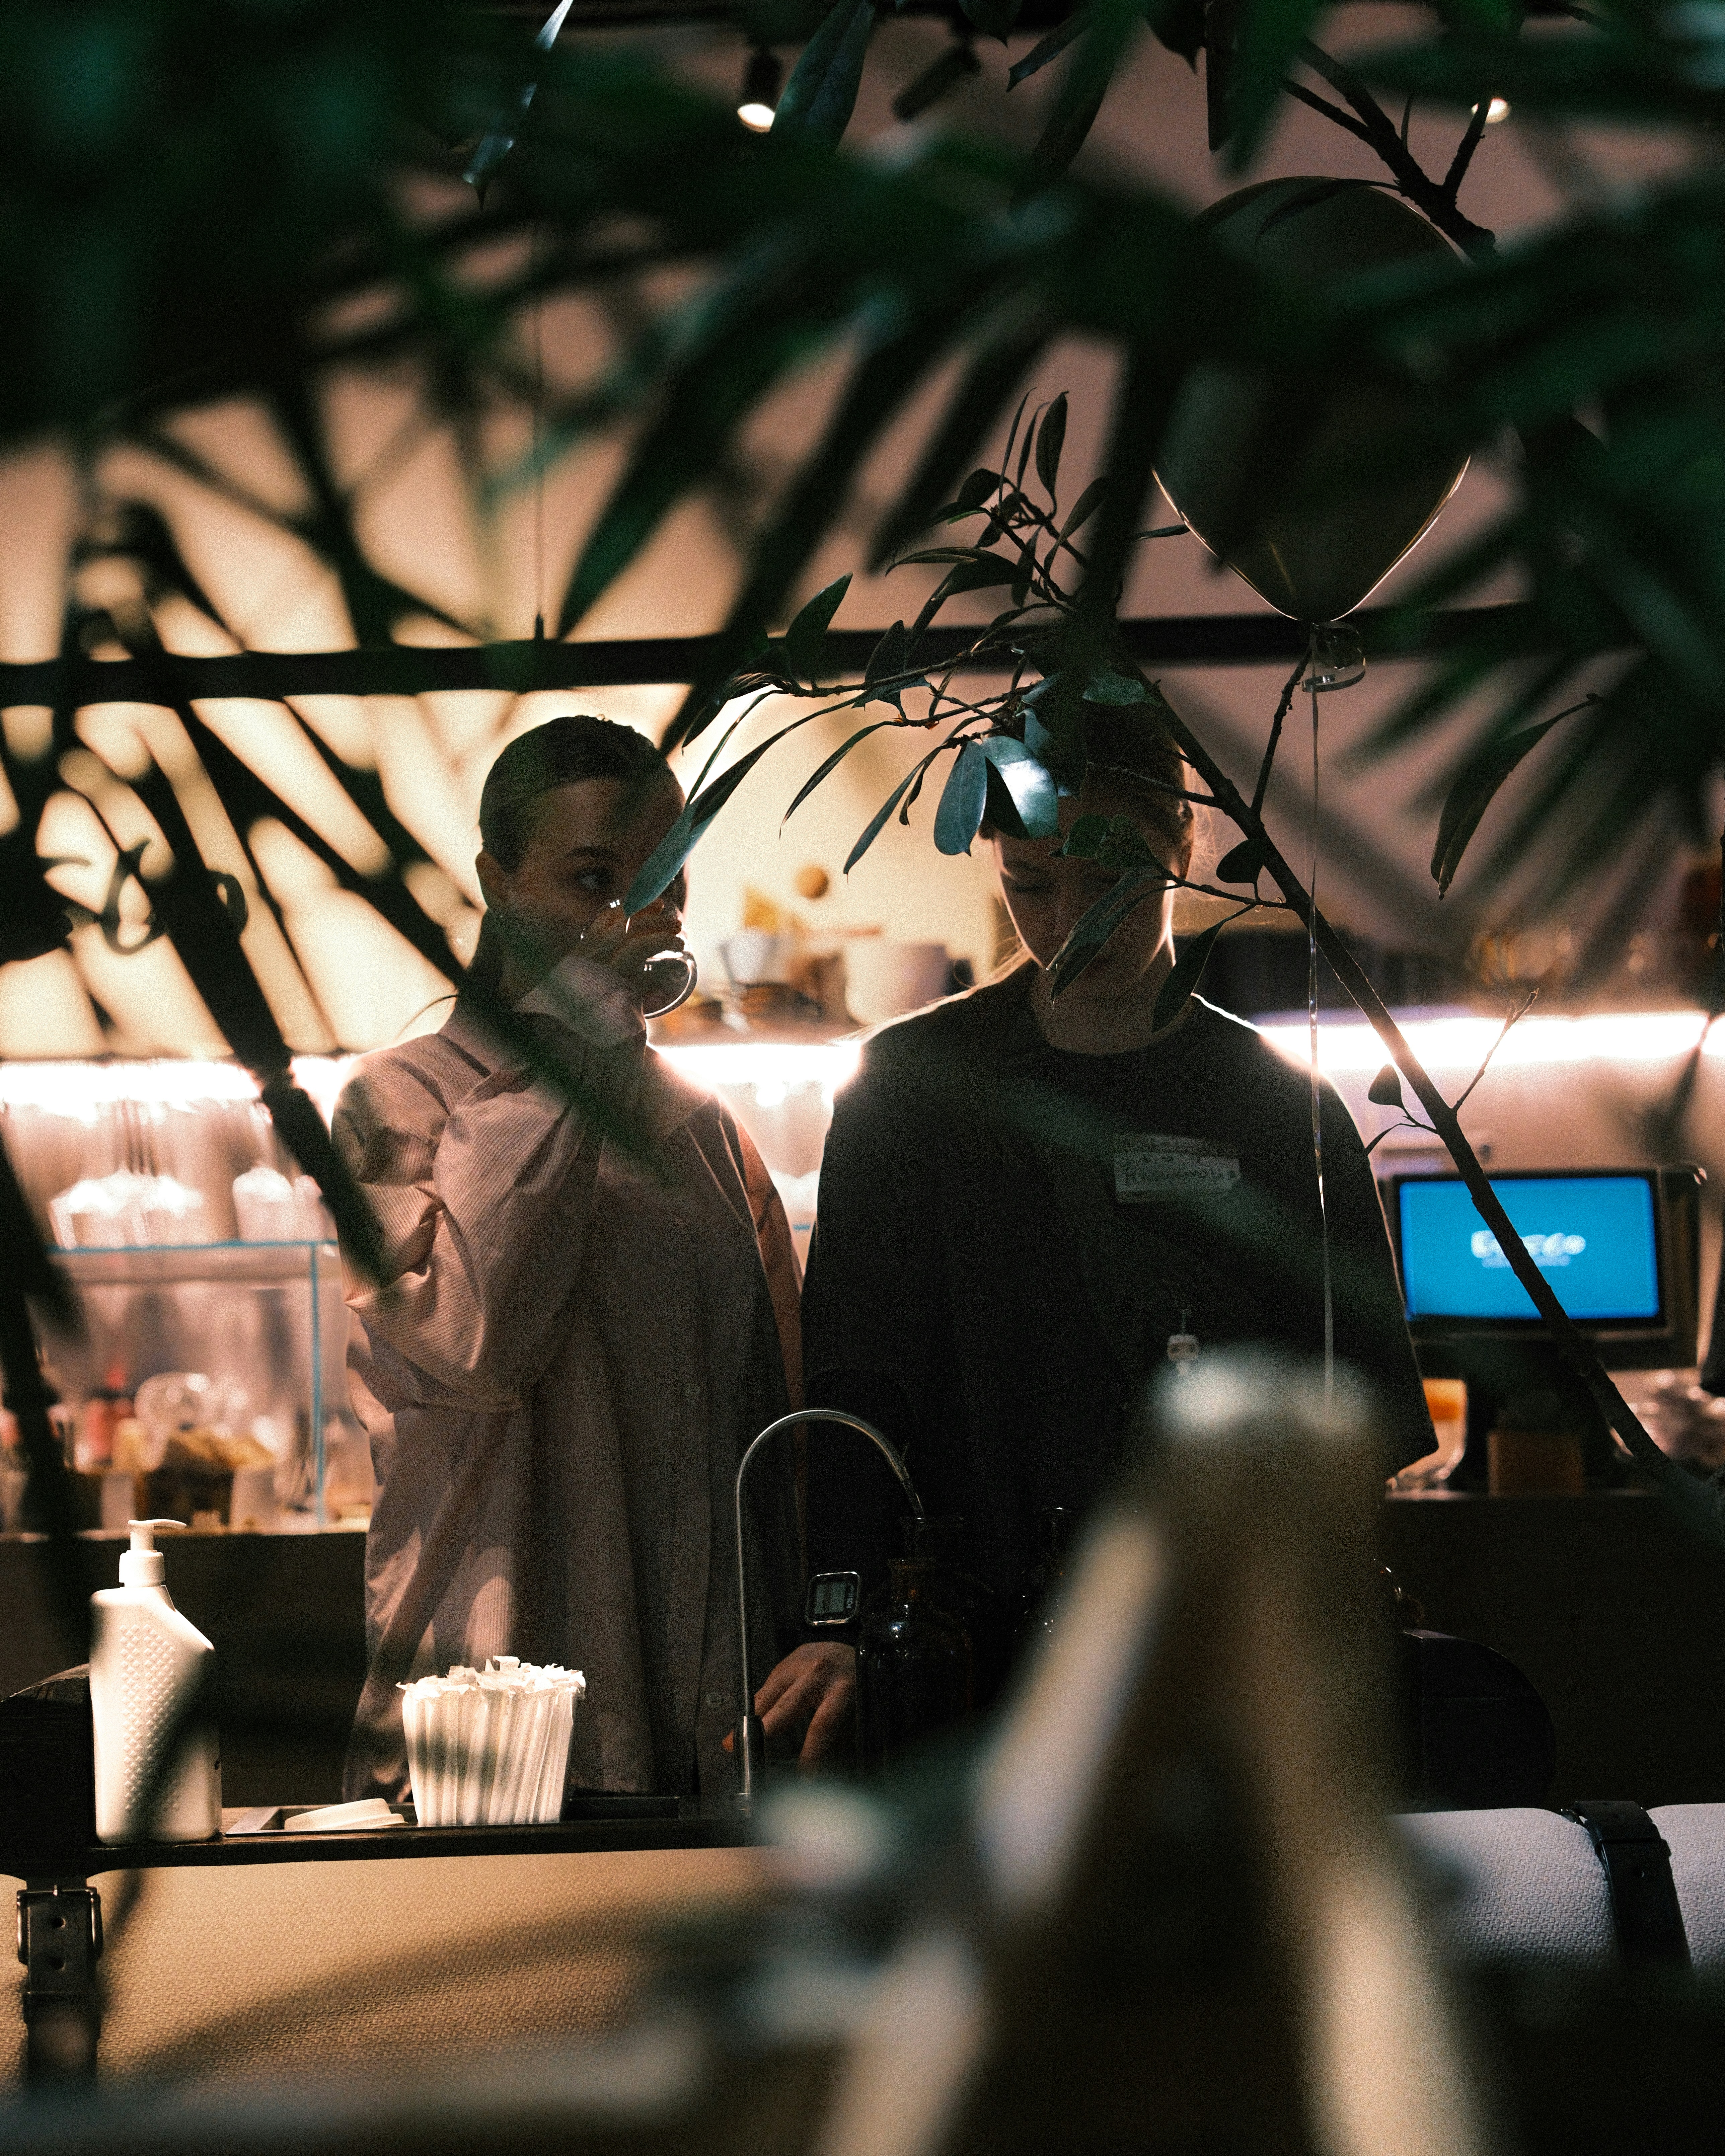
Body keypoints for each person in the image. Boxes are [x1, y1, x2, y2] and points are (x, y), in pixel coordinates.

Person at [752, 704, 1433, 1764]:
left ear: (1183, 850)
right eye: (1030, 884)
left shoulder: (1277, 1111)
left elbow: (1355, 1421)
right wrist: (839, 1626)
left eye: (1111, 880)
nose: (1071, 920)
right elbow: (855, 1392)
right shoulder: (912, 1095)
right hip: (965, 1669)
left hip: (1221, 1669)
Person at [333, 714, 803, 1802]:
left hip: (705, 1725)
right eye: (593, 878)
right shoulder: (395, 1104)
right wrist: (580, 1030)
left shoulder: (705, 1132)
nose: (634, 917)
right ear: (497, 882)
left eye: (664, 886)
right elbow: (477, 1337)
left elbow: (770, 1429)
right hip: (493, 1725)